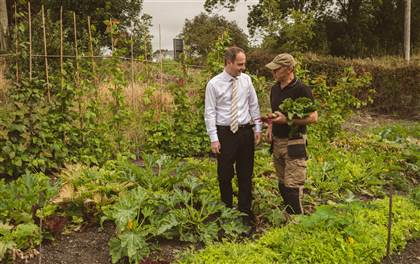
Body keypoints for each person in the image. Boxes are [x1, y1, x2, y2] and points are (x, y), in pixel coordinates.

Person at [204, 46, 262, 229]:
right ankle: (226, 209)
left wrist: (258, 128)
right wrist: (214, 138)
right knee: (224, 174)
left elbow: (254, 105)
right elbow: (210, 113)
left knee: (246, 174)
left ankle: (245, 211)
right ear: (229, 62)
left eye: (244, 64)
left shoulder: (246, 81)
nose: (243, 67)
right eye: (240, 64)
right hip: (225, 134)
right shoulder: (214, 84)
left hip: (245, 132)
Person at [265, 53, 318, 215]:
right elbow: (275, 113)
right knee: (282, 182)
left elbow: (313, 117)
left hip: (295, 142)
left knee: (293, 185)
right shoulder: (275, 89)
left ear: (289, 69)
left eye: (277, 69)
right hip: (277, 141)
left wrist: (288, 120)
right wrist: (270, 127)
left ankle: (297, 221)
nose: (273, 72)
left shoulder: (302, 89)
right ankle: (288, 213)